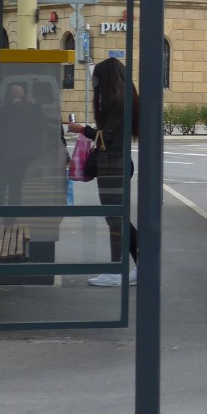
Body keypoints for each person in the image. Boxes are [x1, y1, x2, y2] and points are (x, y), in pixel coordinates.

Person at [68, 57, 139, 286]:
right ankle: (139, 266)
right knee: (118, 218)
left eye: (96, 79)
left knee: (115, 218)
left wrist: (82, 129)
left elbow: (107, 137)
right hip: (116, 163)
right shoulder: (125, 99)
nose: (94, 84)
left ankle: (117, 270)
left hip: (113, 164)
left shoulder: (118, 102)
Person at [0, 83, 48, 205]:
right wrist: (12, 106)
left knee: (15, 188)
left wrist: (33, 105)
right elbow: (0, 122)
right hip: (3, 156)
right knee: (0, 188)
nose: (18, 100)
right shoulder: (4, 110)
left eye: (21, 96)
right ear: (9, 97)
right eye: (15, 96)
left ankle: (11, 220)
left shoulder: (29, 111)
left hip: (20, 157)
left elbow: (41, 123)